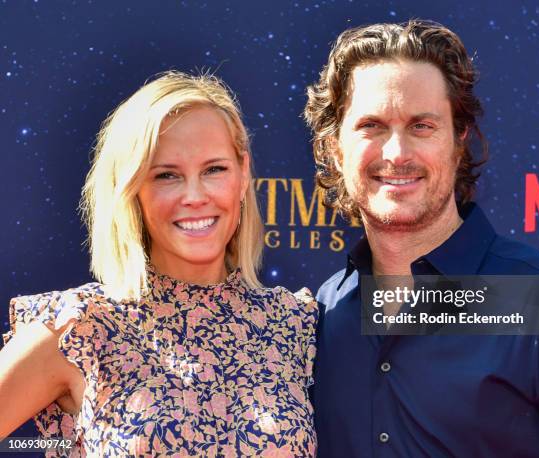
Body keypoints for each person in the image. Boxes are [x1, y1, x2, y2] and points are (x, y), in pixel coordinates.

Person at [304, 19, 539, 457]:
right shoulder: (324, 311)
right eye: (371, 125)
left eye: (421, 126)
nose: (396, 153)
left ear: (459, 140)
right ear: (335, 147)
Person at [0, 71, 317, 457]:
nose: (195, 196)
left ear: (243, 171)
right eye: (167, 175)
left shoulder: (293, 324)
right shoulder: (82, 328)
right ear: (133, 190)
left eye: (214, 169)